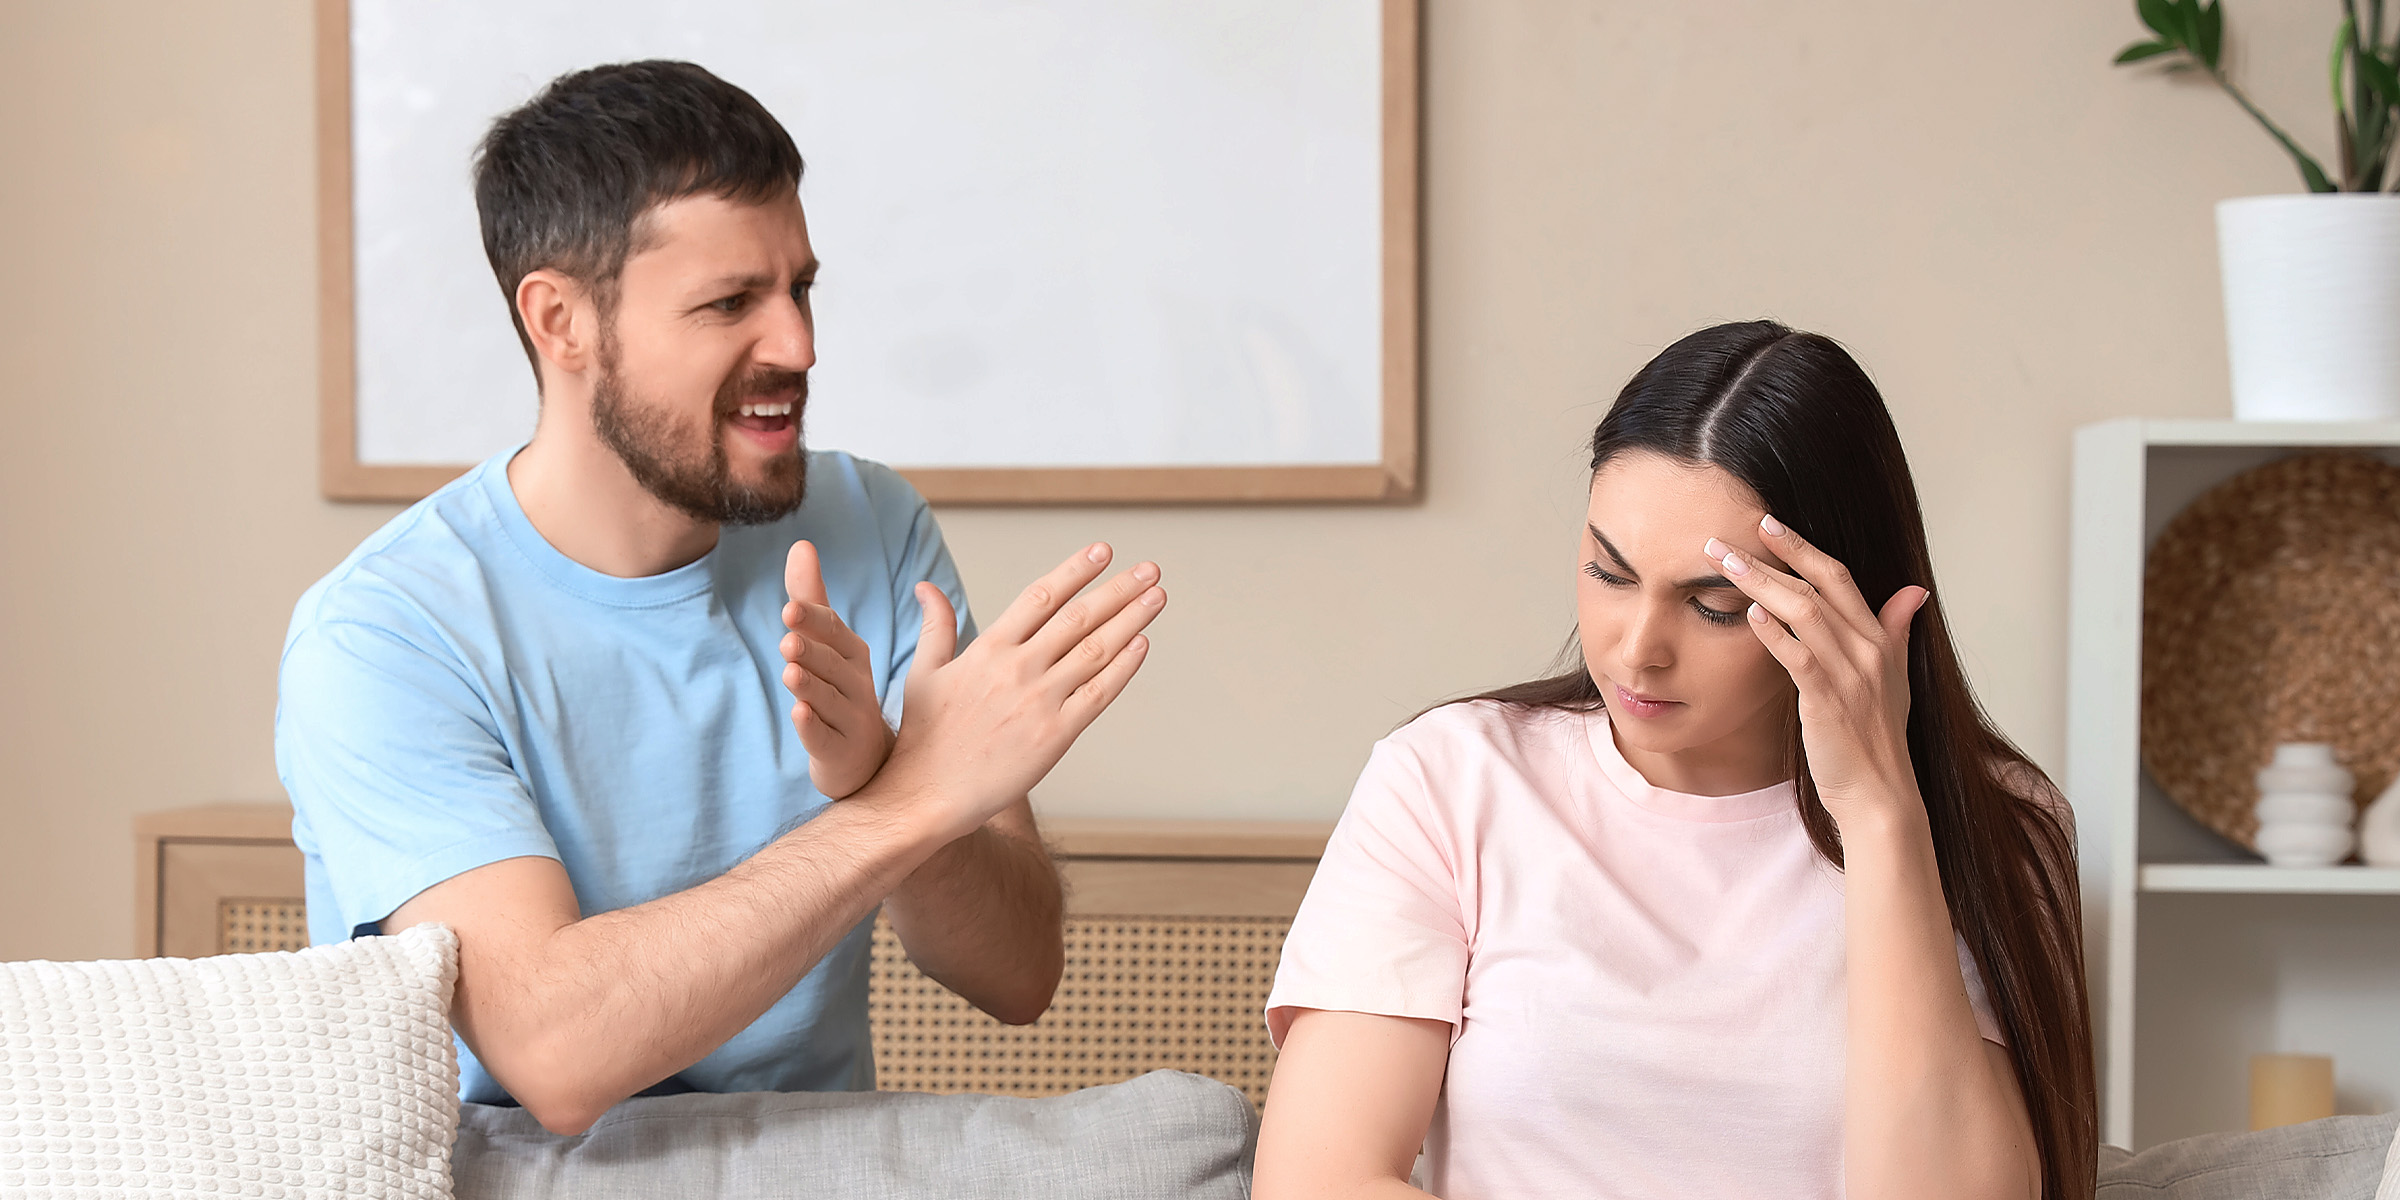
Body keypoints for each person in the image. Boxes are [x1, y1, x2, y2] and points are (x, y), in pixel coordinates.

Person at [274, 60, 1166, 1136]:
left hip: (810, 1167)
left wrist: (898, 783)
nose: (798, 346)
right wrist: (906, 803)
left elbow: (1018, 975)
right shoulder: (387, 633)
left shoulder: (871, 526)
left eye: (801, 288)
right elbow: (554, 1052)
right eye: (731, 303)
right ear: (563, 321)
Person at [1253, 321, 2094, 1200]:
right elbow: (1321, 1180)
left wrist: (1883, 817)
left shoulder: (1996, 823)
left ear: (1843, 599)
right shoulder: (1453, 780)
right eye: (1609, 574)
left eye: (1717, 604)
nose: (1636, 650)